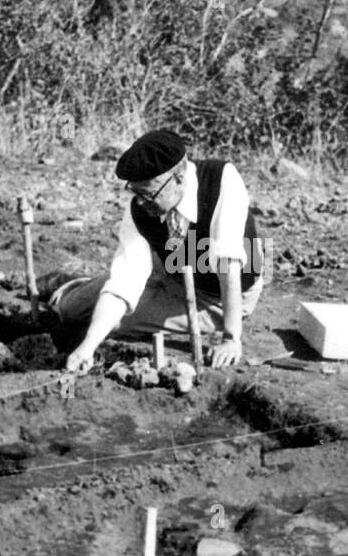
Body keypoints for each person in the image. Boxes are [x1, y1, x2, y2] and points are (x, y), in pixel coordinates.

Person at [45, 130, 265, 373]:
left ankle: (89, 289)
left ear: (179, 177)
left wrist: (230, 338)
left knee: (117, 323)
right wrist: (87, 347)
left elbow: (229, 267)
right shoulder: (140, 207)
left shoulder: (221, 179)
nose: (140, 203)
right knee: (70, 311)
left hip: (217, 298)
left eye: (148, 194)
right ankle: (67, 286)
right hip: (168, 272)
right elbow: (125, 281)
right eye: (135, 193)